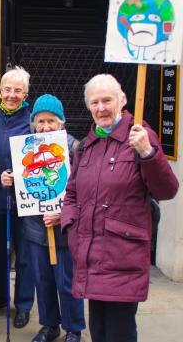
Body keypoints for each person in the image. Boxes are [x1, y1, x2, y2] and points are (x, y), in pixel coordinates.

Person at [61, 74, 179, 342]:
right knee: (99, 331)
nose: (101, 108)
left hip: (122, 257)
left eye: (107, 100)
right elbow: (72, 193)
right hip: (90, 255)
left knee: (119, 333)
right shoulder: (87, 146)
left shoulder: (140, 136)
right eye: (95, 102)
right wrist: (71, 228)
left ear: (121, 100)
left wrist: (149, 153)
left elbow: (167, 190)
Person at [2, 94, 85, 342]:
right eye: (40, 121)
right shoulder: (26, 147)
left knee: (67, 282)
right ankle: (50, 325)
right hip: (36, 230)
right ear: (33, 123)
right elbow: (22, 176)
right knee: (43, 281)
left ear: (61, 122)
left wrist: (63, 214)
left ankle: (73, 328)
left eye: (51, 121)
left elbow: (85, 189)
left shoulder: (74, 148)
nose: (46, 126)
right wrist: (9, 177)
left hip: (65, 230)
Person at [0, 68, 35, 327]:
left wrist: (20, 177)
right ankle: (0, 296)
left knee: (25, 257)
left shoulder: (34, 123)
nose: (12, 95)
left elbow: (42, 164)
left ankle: (23, 304)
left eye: (17, 90)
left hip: (25, 205)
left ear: (25, 94)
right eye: (7, 90)